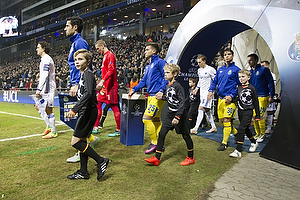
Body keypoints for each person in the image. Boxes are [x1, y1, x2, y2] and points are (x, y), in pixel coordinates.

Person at [66, 49, 109, 180]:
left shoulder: (88, 74)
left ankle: (101, 160)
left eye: (81, 59)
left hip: (88, 111)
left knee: (75, 142)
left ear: (88, 62)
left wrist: (74, 109)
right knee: (82, 141)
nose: (77, 62)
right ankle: (83, 171)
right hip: (86, 110)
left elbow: (89, 94)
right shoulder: (84, 74)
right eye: (76, 60)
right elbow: (90, 90)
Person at [145, 63, 194, 166]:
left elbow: (182, 103)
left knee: (185, 136)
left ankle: (190, 157)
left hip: (180, 115)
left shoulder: (178, 86)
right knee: (162, 133)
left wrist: (177, 117)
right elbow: (171, 99)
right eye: (165, 72)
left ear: (175, 74)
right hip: (170, 114)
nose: (165, 74)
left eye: (168, 72)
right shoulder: (168, 85)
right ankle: (157, 158)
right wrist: (162, 98)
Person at [64, 16, 99, 162]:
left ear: (75, 27)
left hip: (79, 84)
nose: (65, 29)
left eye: (67, 26)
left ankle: (84, 148)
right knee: (81, 116)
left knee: (82, 113)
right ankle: (90, 138)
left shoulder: (79, 42)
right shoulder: (75, 43)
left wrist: (77, 84)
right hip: (77, 82)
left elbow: (85, 66)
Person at [128, 42, 168, 154]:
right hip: (150, 95)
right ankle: (160, 144)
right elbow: (144, 81)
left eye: (147, 49)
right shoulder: (148, 66)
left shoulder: (160, 62)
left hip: (157, 96)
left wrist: (161, 91)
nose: (145, 51)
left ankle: (155, 143)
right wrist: (134, 89)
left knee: (146, 118)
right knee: (155, 120)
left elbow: (166, 76)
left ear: (154, 51)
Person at [208, 49, 240, 151]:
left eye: (229, 54)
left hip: (231, 100)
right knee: (222, 121)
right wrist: (210, 90)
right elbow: (214, 82)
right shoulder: (220, 70)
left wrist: (232, 95)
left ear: (233, 56)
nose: (226, 56)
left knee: (227, 119)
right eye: (225, 55)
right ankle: (236, 133)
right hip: (220, 98)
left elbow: (239, 86)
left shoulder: (236, 70)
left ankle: (224, 143)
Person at [230, 69, 260, 157]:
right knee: (245, 128)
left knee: (241, 129)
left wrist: (257, 115)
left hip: (248, 111)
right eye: (239, 77)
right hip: (240, 111)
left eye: (243, 77)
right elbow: (238, 98)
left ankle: (238, 150)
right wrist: (231, 99)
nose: (241, 79)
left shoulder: (252, 88)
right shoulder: (238, 88)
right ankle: (254, 142)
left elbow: (256, 102)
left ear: (248, 77)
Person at [95, 39, 121, 137]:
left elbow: (111, 71)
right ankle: (96, 127)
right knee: (98, 103)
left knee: (114, 107)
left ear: (102, 46)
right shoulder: (105, 56)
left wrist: (102, 81)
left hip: (111, 87)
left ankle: (118, 129)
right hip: (105, 87)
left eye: (98, 48)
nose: (98, 51)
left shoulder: (110, 55)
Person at [248, 54, 275, 142]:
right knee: (254, 116)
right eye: (248, 60)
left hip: (263, 95)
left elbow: (270, 82)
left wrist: (271, 95)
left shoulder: (264, 70)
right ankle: (257, 133)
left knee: (259, 115)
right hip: (253, 96)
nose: (249, 62)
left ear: (256, 60)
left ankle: (263, 134)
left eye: (251, 60)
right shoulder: (250, 72)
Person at [35, 41, 57, 139]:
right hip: (45, 88)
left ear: (43, 48)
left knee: (48, 110)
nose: (36, 49)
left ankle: (54, 131)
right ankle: (49, 126)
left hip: (48, 89)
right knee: (38, 106)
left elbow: (45, 75)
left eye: (38, 47)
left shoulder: (46, 59)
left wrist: (39, 89)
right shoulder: (43, 59)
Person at [191, 54, 217, 134]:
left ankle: (195, 128)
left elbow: (215, 80)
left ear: (204, 61)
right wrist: (196, 88)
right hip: (202, 92)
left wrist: (212, 91)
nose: (198, 64)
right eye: (197, 62)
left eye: (200, 62)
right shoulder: (199, 70)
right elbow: (200, 81)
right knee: (207, 110)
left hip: (207, 93)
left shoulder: (211, 69)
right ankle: (213, 127)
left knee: (200, 108)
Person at [261, 60, 277, 134]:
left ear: (267, 66)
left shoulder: (272, 75)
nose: (262, 67)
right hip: (261, 95)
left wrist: (271, 95)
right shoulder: (261, 74)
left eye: (263, 66)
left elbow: (272, 85)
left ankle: (269, 127)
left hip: (269, 95)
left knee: (269, 111)